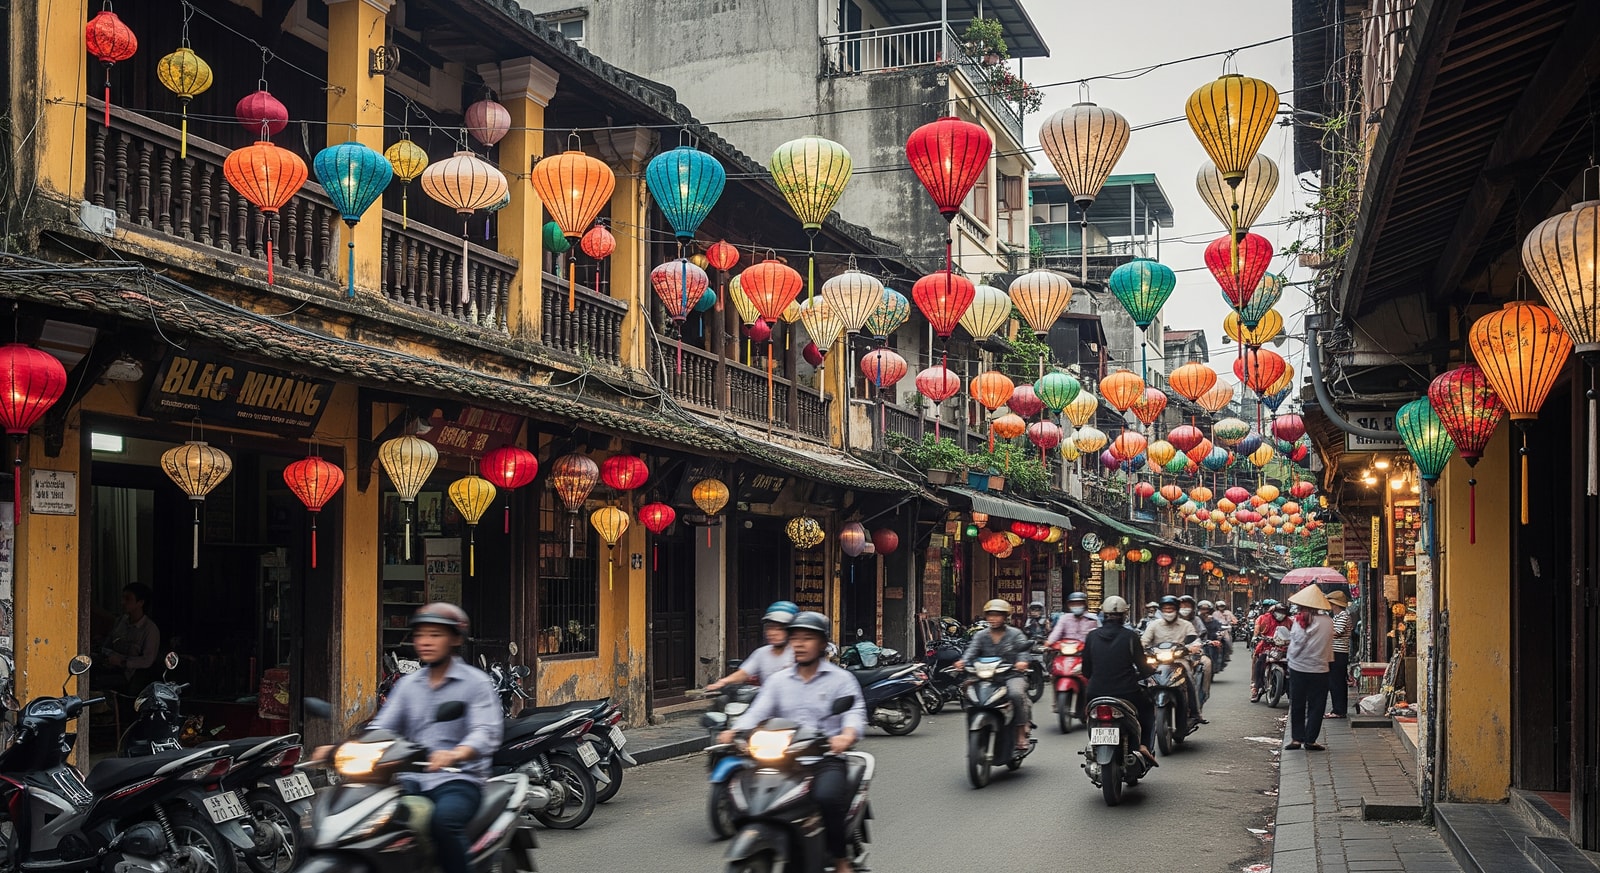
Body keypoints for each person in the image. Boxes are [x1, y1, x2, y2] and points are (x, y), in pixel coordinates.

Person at [721, 612, 867, 873]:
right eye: (795, 638)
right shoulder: (779, 681)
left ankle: (840, 859)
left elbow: (855, 714)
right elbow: (757, 711)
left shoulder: (840, 679)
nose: (799, 644)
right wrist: (735, 730)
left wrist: (845, 735)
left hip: (823, 759)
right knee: (739, 790)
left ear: (822, 644)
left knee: (827, 797)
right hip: (782, 759)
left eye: (807, 638)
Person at [370, 603, 503, 873]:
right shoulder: (408, 685)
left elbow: (486, 731)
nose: (425, 642)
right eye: (420, 635)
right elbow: (382, 727)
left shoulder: (475, 682)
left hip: (458, 780)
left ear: (455, 639)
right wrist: (343, 749)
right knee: (372, 824)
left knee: (443, 822)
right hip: (410, 779)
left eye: (435, 634)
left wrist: (456, 753)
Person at [1080, 596, 1157, 765]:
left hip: (1095, 692)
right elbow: (1142, 667)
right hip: (1127, 692)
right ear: (1124, 615)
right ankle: (1144, 745)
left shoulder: (1091, 636)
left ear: (1104, 614)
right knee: (1148, 708)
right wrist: (1151, 671)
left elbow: (1086, 670)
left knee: (1088, 716)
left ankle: (1094, 745)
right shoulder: (1131, 637)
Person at [955, 599, 1033, 750]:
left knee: (1016, 694)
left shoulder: (1015, 634)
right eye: (990, 615)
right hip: (985, 676)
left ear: (1005, 617)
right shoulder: (981, 635)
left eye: (997, 615)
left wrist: (1022, 662)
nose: (993, 619)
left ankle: (1021, 730)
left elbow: (1023, 650)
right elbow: (972, 651)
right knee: (967, 691)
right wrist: (962, 662)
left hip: (1011, 675)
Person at [1141, 596, 1206, 727]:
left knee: (1189, 680)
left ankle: (1195, 713)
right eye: (1165, 609)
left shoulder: (1186, 625)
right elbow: (1143, 641)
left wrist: (1194, 647)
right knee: (1142, 679)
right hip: (1157, 661)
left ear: (1176, 610)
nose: (1168, 611)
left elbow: (1195, 640)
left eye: (1171, 608)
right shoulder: (1154, 625)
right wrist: (1142, 649)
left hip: (1179, 660)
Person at [1284, 586, 1335, 751]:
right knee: (1317, 704)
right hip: (1320, 668)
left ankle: (1296, 739)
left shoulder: (1300, 621)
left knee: (1298, 702)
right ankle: (1311, 739)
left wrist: (1290, 658)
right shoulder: (1328, 621)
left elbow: (1296, 645)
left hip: (1298, 667)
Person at [707, 601, 799, 690]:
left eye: (779, 629)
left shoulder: (798, 654)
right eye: (770, 628)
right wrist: (723, 682)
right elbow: (744, 673)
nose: (772, 633)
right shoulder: (761, 653)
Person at [101, 584, 160, 687]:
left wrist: (122, 662)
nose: (123, 602)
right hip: (110, 668)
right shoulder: (120, 621)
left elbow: (147, 660)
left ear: (140, 602)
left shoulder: (150, 629)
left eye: (128, 599)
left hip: (131, 677)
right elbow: (107, 644)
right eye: (122, 598)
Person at [1252, 601, 1291, 702]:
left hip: (1284, 648)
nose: (1281, 614)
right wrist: (1256, 636)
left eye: (1283, 612)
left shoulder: (1289, 621)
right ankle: (1256, 688)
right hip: (1267, 646)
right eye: (1279, 611)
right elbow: (1257, 629)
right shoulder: (1264, 618)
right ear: (1274, 611)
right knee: (1259, 663)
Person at [1326, 590, 1353, 718]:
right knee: (1335, 681)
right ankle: (1337, 709)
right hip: (1334, 651)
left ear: (1335, 604)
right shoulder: (1336, 617)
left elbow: (1336, 632)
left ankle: (1339, 710)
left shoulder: (1343, 616)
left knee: (1337, 682)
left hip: (1339, 652)